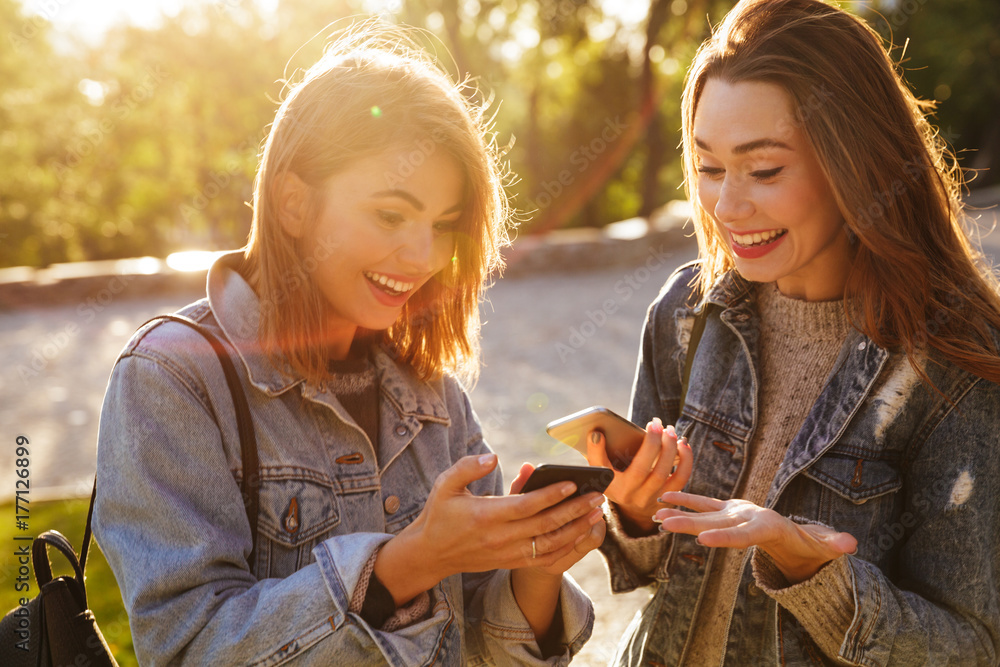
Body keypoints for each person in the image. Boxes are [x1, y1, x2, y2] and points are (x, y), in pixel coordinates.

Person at [93, 23, 605, 666]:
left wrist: (536, 565)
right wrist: (410, 562)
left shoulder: (429, 387)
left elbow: (486, 647)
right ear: (293, 203)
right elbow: (188, 647)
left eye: (444, 225)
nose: (422, 257)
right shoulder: (172, 378)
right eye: (391, 215)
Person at [585, 0, 1000, 664]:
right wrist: (634, 516)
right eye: (710, 167)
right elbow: (661, 571)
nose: (727, 206)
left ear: (855, 162)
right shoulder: (683, 313)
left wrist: (814, 573)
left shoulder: (952, 362)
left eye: (765, 169)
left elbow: (973, 646)